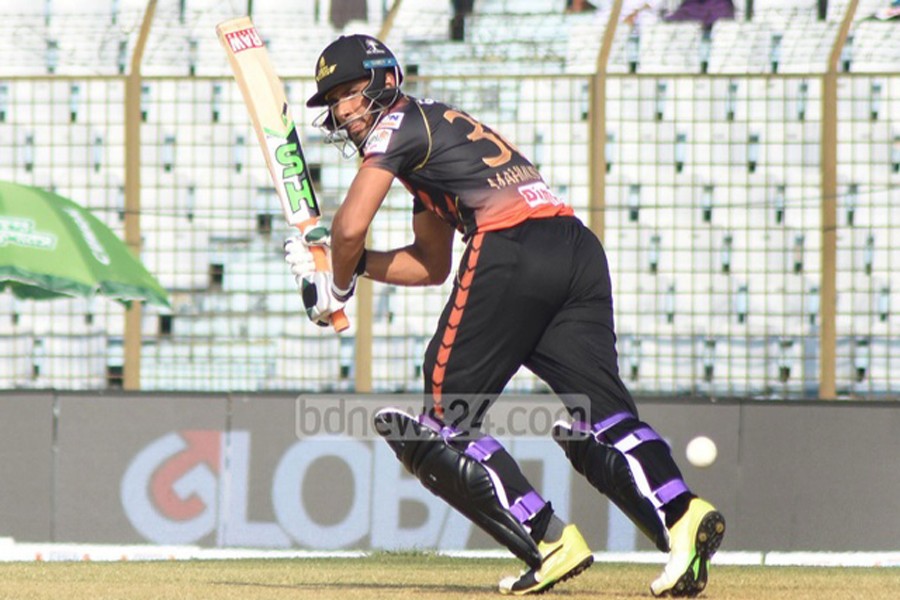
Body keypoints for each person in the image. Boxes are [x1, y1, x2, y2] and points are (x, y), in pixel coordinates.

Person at [284, 34, 725, 597]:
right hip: (574, 248)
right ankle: (684, 517)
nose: (343, 111)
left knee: (446, 417)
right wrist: (347, 264)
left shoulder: (396, 126)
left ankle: (547, 539)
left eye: (348, 92)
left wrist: (335, 283)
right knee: (606, 414)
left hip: (511, 248)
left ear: (383, 81)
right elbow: (429, 264)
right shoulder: (432, 136)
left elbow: (348, 226)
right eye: (333, 101)